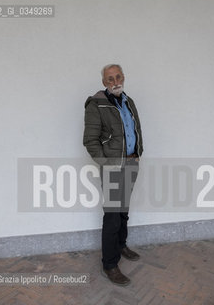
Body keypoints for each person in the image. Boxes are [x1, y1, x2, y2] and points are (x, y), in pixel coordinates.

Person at [83, 64, 143, 286]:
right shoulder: (96, 104)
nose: (115, 81)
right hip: (113, 167)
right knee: (112, 215)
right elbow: (90, 140)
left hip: (131, 163)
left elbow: (135, 130)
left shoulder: (129, 101)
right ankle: (109, 264)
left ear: (123, 78)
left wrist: (137, 154)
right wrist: (107, 165)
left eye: (118, 77)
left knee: (124, 210)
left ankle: (121, 244)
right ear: (104, 82)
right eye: (110, 79)